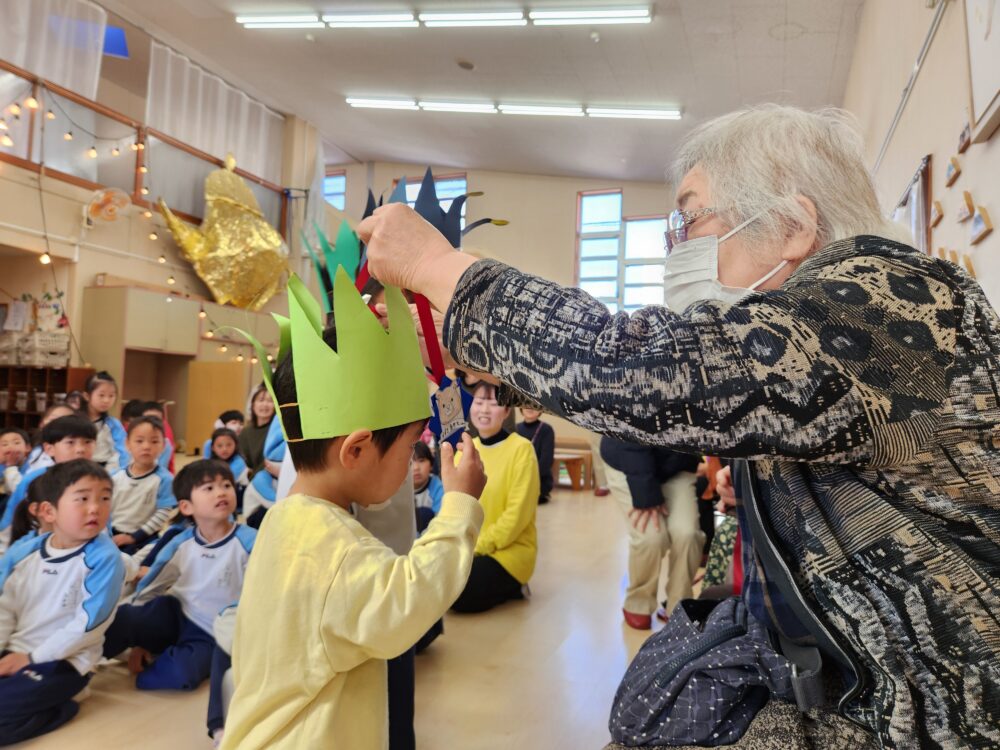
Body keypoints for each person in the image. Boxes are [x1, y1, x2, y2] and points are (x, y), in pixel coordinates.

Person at [359, 104, 1000, 746]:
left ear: (793, 226)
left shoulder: (887, 308)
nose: (676, 246)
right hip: (864, 685)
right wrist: (466, 346)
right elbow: (657, 397)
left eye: (690, 217)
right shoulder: (856, 316)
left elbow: (633, 369)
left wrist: (440, 269)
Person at [220, 273, 486, 750]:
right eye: (409, 449)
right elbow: (407, 603)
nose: (411, 462)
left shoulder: (283, 522)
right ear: (357, 449)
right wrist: (461, 507)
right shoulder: (338, 551)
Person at [0, 459, 125, 745]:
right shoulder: (24, 552)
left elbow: (87, 627)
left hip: (65, 661)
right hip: (16, 650)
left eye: (105, 498)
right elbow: (4, 610)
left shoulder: (104, 559)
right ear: (48, 511)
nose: (95, 507)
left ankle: (62, 707)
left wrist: (30, 659)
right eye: (82, 499)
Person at [103, 460, 254, 695]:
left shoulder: (251, 541)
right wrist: (141, 637)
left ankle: (156, 659)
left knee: (182, 673)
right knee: (126, 616)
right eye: (209, 488)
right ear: (186, 507)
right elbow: (153, 584)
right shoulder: (180, 542)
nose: (221, 492)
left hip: (212, 632)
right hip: (177, 613)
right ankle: (78, 667)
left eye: (226, 485)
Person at [451, 383, 539, 614]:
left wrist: (477, 546)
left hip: (509, 551)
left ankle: (513, 586)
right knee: (437, 580)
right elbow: (456, 505)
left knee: (461, 593)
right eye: (479, 402)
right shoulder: (466, 450)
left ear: (507, 411)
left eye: (493, 403)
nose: (485, 410)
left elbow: (517, 516)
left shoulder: (522, 449)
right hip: (470, 547)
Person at [599, 436, 701, 629]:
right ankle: (638, 600)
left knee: (687, 533)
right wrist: (646, 494)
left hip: (676, 463)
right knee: (651, 537)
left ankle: (679, 604)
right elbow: (629, 435)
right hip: (626, 459)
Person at [0, 415, 97, 557]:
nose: (80, 449)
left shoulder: (98, 480)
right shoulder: (34, 480)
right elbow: (11, 518)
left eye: (88, 442)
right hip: (37, 550)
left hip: (84, 551)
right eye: (70, 442)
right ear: (49, 448)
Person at [109, 416, 175, 554]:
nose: (146, 446)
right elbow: (106, 508)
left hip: (145, 537)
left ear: (163, 445)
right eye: (139, 441)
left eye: (154, 441)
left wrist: (134, 537)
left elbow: (163, 514)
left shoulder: (165, 479)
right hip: (112, 535)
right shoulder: (115, 477)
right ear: (127, 444)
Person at [83, 371, 128, 473]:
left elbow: (122, 452)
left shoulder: (113, 425)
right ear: (87, 396)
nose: (106, 400)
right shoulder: (76, 422)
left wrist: (110, 472)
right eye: (101, 395)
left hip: (106, 470)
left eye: (111, 396)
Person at [515, 407, 555, 505]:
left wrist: (528, 478)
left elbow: (546, 461)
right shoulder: (515, 428)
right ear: (521, 407)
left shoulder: (546, 430)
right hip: (517, 478)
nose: (530, 408)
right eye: (526, 404)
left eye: (534, 405)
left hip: (539, 480)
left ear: (541, 410)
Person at [24, 404, 77, 475]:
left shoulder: (75, 453)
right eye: (54, 420)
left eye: (67, 422)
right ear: (42, 424)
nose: (59, 425)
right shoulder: (37, 449)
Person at [238, 384, 275, 476]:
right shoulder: (245, 432)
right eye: (261, 400)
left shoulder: (277, 430)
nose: (265, 404)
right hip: (247, 479)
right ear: (253, 405)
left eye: (270, 401)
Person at [412, 440, 444, 533]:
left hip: (429, 541)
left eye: (421, 461)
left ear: (431, 465)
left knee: (424, 514)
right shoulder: (397, 490)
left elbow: (441, 522)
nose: (416, 467)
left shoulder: (438, 489)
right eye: (410, 462)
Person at [142, 401, 175, 474]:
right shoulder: (134, 440)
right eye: (147, 419)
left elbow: (160, 468)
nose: (152, 423)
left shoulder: (165, 444)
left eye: (156, 419)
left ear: (163, 422)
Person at [0, 428, 30, 497]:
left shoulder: (31, 468)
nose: (11, 447)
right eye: (4, 444)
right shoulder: (1, 465)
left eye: (16, 443)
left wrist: (11, 466)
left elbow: (21, 492)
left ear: (27, 447)